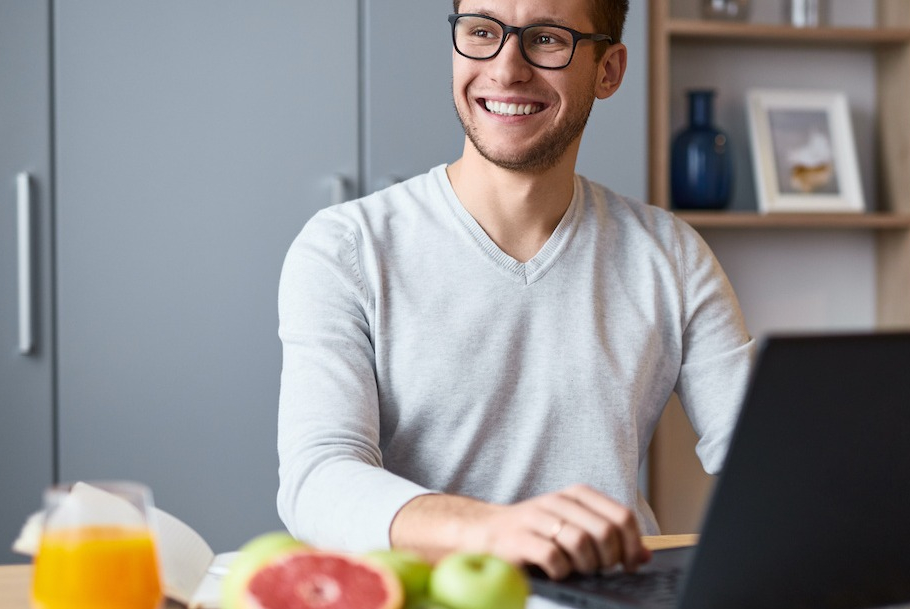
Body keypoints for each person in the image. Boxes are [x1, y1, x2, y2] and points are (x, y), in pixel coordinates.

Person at [276, 0, 755, 581]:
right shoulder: (345, 248)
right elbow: (317, 479)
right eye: (481, 31)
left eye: (547, 39)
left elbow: (764, 462)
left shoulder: (671, 255)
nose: (505, 69)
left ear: (609, 70)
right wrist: (488, 531)